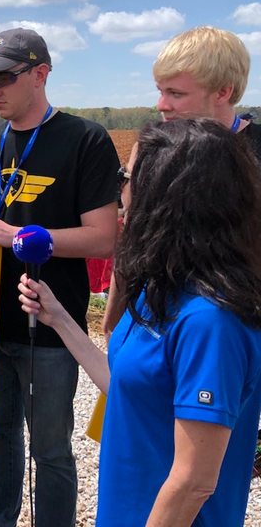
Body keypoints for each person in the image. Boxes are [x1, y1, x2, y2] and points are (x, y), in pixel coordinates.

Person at [19, 118, 261, 527]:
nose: (119, 188)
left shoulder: (211, 321)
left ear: (167, 193)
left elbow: (193, 482)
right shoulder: (161, 289)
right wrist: (58, 317)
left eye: (124, 176)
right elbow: (127, 386)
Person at [0, 28, 119, 527]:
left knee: (49, 450)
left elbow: (102, 237)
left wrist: (15, 235)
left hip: (50, 325)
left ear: (41, 74)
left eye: (3, 76)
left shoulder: (85, 139)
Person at [102, 26, 261, 340]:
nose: (162, 105)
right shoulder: (152, 150)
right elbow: (134, 238)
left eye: (176, 93)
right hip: (161, 324)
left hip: (242, 331)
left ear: (223, 92)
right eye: (160, 91)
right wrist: (113, 326)